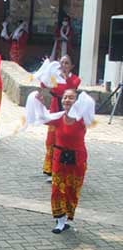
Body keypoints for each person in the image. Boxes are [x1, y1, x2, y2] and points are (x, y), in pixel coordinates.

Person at [41, 89, 90, 233]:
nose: (67, 100)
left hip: (77, 159)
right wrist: (41, 104)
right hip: (59, 158)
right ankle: (60, 220)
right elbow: (42, 117)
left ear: (77, 101)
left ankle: (67, 216)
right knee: (57, 188)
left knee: (71, 190)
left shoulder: (82, 118)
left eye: (71, 98)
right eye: (65, 98)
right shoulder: (58, 117)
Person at [40, 54, 81, 180]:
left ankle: (62, 168)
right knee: (51, 139)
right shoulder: (55, 79)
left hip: (68, 112)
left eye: (67, 63)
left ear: (72, 66)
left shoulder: (75, 79)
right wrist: (47, 67)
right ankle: (51, 168)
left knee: (63, 140)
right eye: (62, 63)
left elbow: (71, 89)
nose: (63, 65)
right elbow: (43, 84)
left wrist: (64, 77)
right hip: (55, 108)